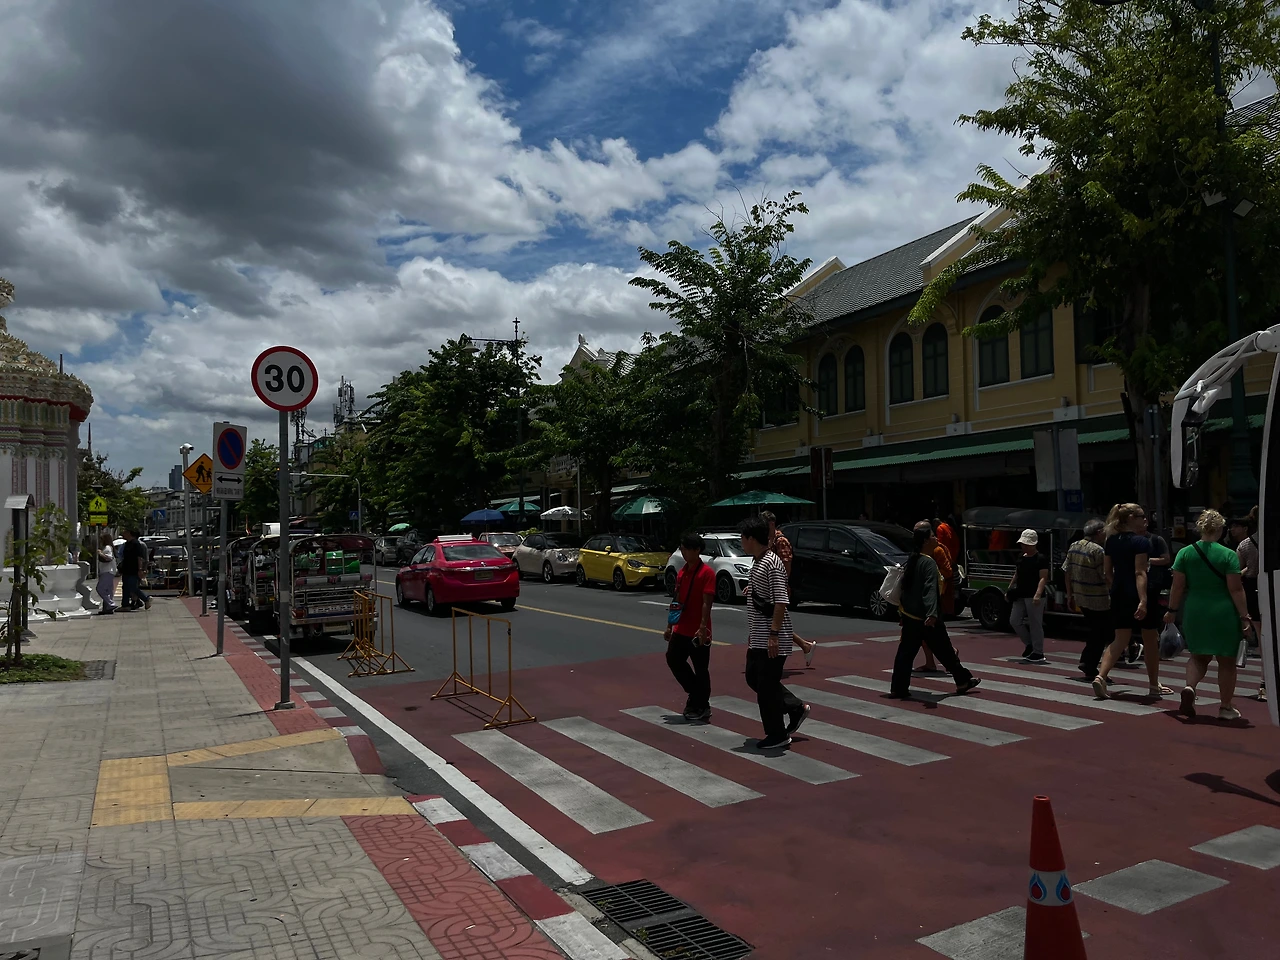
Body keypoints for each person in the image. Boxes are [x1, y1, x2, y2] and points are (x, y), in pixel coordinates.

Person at [1165, 509, 1250, 721]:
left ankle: (1190, 687)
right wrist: (1244, 616)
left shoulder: (1185, 553)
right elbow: (1235, 589)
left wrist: (1171, 610)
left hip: (1195, 610)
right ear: (1220, 529)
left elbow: (1177, 587)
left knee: (1198, 656)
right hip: (1223, 612)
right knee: (1226, 661)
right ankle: (1225, 707)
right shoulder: (1228, 555)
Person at [740, 517, 809, 750]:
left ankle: (777, 734)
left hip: (771, 637)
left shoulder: (772, 562)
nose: (741, 542)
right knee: (754, 678)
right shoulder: (758, 562)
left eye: (742, 538)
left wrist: (774, 635)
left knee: (766, 688)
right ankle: (794, 707)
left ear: (751, 539)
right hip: (758, 636)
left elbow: (781, 600)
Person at [890, 521, 980, 698]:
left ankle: (898, 688)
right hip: (927, 618)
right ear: (925, 541)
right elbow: (930, 589)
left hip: (910, 616)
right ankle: (962, 681)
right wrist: (932, 613)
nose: (936, 539)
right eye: (932, 536)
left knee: (905, 654)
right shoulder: (928, 563)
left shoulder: (913, 559)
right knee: (945, 651)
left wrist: (904, 611)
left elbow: (907, 589)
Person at [1093, 503, 1171, 699]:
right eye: (1141, 516)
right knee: (1150, 639)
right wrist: (1142, 600)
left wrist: (1116, 587)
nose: (1145, 519)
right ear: (1130, 519)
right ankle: (1153, 685)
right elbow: (1140, 572)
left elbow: (1107, 572)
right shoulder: (1141, 542)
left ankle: (1101, 676)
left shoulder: (1111, 541)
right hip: (1141, 593)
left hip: (1119, 593)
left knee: (1120, 638)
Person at [663, 532, 716, 722]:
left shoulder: (707, 573)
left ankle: (701, 704)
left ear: (697, 550)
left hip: (698, 631)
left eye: (686, 549)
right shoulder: (682, 572)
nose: (683, 552)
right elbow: (676, 600)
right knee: (673, 659)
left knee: (701, 668)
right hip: (681, 628)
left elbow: (707, 603)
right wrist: (669, 625)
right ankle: (696, 695)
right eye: (682, 549)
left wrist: (702, 627)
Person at [760, 511, 816, 667]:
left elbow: (786, 565)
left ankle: (798, 648)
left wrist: (781, 585)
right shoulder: (769, 540)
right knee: (776, 622)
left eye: (764, 525)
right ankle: (805, 646)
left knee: (776, 622)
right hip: (771, 588)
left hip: (779, 588)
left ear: (771, 524)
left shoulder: (781, 541)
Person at [1063, 519, 1111, 680]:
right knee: (1101, 633)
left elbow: (1067, 571)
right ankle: (1089, 664)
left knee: (1096, 630)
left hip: (1081, 597)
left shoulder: (1074, 546)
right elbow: (1105, 575)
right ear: (1099, 532)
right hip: (1098, 599)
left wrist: (1070, 594)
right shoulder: (1098, 550)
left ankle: (1088, 662)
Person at [1230, 507, 1266, 702]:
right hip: (1273, 587)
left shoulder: (1245, 544)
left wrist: (1249, 569)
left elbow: (1236, 572)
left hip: (1254, 589)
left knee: (1262, 637)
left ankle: (1264, 683)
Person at [1005, 530, 1050, 664]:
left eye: (1026, 544)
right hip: (1020, 593)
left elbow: (1043, 578)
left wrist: (1038, 594)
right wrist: (1009, 589)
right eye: (1023, 544)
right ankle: (1030, 644)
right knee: (1014, 620)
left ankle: (1038, 651)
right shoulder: (1021, 557)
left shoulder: (1040, 558)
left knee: (1035, 623)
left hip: (1033, 594)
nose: (1024, 546)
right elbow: (1017, 574)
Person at [117, 529, 152, 611]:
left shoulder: (136, 544)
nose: (123, 534)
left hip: (133, 569)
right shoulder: (126, 544)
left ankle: (146, 598)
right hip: (126, 568)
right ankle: (125, 604)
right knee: (125, 587)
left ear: (130, 533)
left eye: (125, 532)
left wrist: (140, 569)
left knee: (132, 586)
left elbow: (139, 558)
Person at [96, 532, 118, 615]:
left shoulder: (107, 548)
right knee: (108, 590)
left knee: (100, 588)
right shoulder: (108, 547)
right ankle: (107, 608)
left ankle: (111, 603)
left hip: (107, 571)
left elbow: (109, 558)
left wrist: (100, 554)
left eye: (101, 539)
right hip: (109, 571)